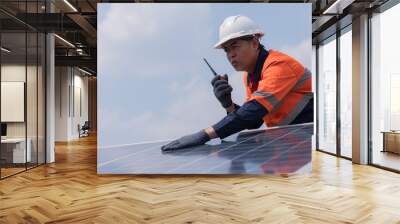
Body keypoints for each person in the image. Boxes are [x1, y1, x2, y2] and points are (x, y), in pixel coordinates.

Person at [161, 15, 313, 151]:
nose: (230, 55)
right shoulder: (250, 76)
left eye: (235, 46)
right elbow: (253, 121)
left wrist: (205, 134)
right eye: (226, 50)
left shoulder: (278, 65)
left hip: (314, 135)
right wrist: (228, 104)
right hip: (293, 140)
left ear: (254, 43)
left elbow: (254, 110)